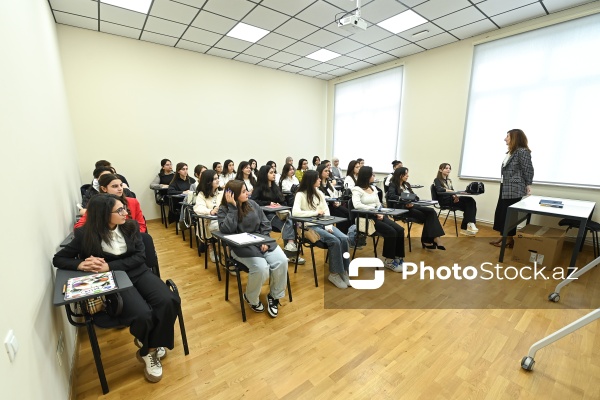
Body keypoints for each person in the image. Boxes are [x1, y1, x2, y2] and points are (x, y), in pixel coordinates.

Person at [53, 194, 180, 383]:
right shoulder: (85, 235)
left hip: (138, 272)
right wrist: (82, 265)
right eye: (120, 210)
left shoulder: (130, 227)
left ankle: (150, 347)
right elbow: (59, 259)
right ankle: (150, 348)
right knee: (142, 314)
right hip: (114, 280)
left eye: (124, 208)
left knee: (169, 300)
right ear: (104, 215)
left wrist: (110, 266)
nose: (126, 212)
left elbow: (140, 257)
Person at [218, 180, 289, 318]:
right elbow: (226, 230)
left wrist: (265, 239)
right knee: (261, 268)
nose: (248, 193)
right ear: (232, 195)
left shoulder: (253, 204)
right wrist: (233, 208)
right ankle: (251, 298)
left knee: (282, 260)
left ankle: (274, 296)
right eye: (243, 192)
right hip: (241, 247)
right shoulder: (224, 209)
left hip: (261, 241)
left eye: (246, 190)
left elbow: (265, 223)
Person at [293, 170, 351, 289]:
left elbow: (326, 211)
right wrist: (314, 212)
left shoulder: (319, 193)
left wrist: (329, 226)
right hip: (309, 227)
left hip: (324, 224)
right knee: (334, 241)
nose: (320, 180)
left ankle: (344, 271)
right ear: (311, 180)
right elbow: (295, 212)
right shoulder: (300, 194)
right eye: (317, 178)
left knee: (344, 238)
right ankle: (334, 274)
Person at [352, 166, 405, 272]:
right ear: (366, 176)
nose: (374, 176)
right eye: (372, 174)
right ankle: (389, 261)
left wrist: (380, 211)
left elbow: (378, 203)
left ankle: (398, 257)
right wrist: (374, 210)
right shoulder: (356, 189)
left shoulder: (373, 188)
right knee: (391, 232)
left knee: (400, 230)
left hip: (378, 215)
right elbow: (357, 205)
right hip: (366, 218)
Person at [252, 165, 304, 264]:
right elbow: (253, 202)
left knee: (291, 222)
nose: (274, 174)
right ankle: (291, 251)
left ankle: (290, 249)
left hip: (280, 212)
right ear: (264, 175)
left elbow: (283, 201)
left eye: (274, 172)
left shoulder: (275, 187)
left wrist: (280, 204)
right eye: (271, 173)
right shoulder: (259, 188)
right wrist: (268, 203)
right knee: (289, 224)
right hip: (267, 216)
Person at [490, 129, 534, 247]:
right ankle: (505, 237)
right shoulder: (511, 152)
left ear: (514, 138)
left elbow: (528, 169)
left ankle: (508, 239)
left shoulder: (522, 152)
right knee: (502, 213)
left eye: (507, 136)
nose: (505, 139)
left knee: (509, 215)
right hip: (505, 186)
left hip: (514, 188)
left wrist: (528, 184)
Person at [387, 167, 446, 249]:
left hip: (413, 206)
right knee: (428, 217)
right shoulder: (393, 184)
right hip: (403, 209)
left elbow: (416, 197)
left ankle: (434, 239)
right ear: (400, 175)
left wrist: (411, 199)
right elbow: (391, 196)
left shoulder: (406, 185)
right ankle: (432, 239)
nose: (408, 176)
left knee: (431, 211)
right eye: (406, 174)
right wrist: (404, 199)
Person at [76, 173, 147, 233]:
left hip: (131, 239)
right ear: (104, 189)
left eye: (121, 185)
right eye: (115, 186)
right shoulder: (97, 204)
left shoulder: (132, 202)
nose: (120, 189)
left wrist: (130, 237)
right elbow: (79, 227)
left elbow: (142, 226)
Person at [434, 163, 478, 236]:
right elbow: (439, 190)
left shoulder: (449, 180)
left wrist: (456, 196)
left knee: (470, 201)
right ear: (440, 170)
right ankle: (469, 223)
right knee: (468, 206)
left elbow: (452, 190)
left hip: (451, 199)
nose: (448, 170)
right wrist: (452, 192)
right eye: (446, 168)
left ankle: (469, 224)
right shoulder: (437, 180)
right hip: (445, 201)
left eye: (449, 168)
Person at [193, 170, 223, 263]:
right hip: (209, 222)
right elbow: (198, 208)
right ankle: (212, 249)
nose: (217, 180)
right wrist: (210, 211)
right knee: (221, 228)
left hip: (221, 220)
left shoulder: (221, 192)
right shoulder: (201, 195)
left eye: (217, 178)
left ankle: (228, 253)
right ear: (208, 181)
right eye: (215, 179)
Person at [317, 164, 350, 234]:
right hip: (325, 207)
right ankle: (342, 235)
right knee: (342, 217)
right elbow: (320, 197)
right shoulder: (317, 185)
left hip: (333, 205)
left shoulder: (329, 184)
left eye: (328, 171)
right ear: (320, 172)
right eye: (325, 171)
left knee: (348, 213)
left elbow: (335, 195)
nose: (328, 172)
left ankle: (348, 235)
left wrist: (337, 202)